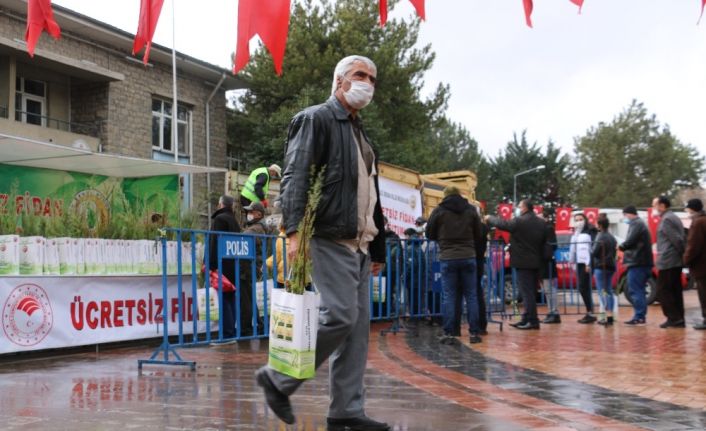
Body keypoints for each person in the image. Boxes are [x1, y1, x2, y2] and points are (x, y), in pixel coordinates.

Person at [255, 55, 389, 431]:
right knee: (340, 316)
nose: (367, 83)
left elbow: (372, 195)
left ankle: (346, 411)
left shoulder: (360, 134)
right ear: (339, 80)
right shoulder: (316, 118)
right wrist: (294, 230)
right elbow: (295, 174)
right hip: (328, 236)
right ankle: (277, 378)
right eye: (360, 75)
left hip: (360, 244)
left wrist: (378, 247)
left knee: (356, 333)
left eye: (372, 79)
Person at [426, 186, 483, 344]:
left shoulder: (439, 210)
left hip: (448, 257)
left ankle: (449, 333)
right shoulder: (471, 210)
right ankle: (474, 333)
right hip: (468, 255)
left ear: (445, 195)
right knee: (471, 296)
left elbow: (429, 233)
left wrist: (441, 238)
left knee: (449, 296)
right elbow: (479, 233)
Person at [486, 199, 547, 330]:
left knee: (527, 293)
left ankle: (532, 321)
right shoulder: (541, 223)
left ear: (524, 208)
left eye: (519, 206)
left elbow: (503, 224)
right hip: (536, 261)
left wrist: (489, 218)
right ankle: (526, 318)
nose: (517, 209)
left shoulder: (520, 221)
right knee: (531, 291)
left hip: (523, 262)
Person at [209, 195, 241, 339]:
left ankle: (227, 334)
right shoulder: (234, 221)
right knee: (230, 297)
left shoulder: (219, 219)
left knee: (223, 298)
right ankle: (231, 331)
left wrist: (211, 264)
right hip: (233, 264)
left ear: (220, 204)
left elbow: (214, 242)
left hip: (221, 264)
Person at [652, 196, 687, 328]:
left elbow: (677, 240)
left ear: (662, 206)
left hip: (669, 261)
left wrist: (680, 254)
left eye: (655, 205)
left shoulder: (667, 219)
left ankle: (674, 318)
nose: (653, 208)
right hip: (673, 260)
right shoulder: (672, 217)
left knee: (663, 290)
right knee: (674, 290)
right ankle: (678, 318)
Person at [618, 205, 654, 325]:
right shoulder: (640, 223)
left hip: (638, 263)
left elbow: (630, 241)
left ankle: (639, 316)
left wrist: (620, 247)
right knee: (639, 290)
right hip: (642, 262)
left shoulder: (636, 224)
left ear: (630, 213)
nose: (624, 217)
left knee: (635, 290)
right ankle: (640, 316)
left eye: (625, 215)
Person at [240, 201, 268, 336]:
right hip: (249, 267)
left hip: (249, 268)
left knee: (247, 299)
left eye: (251, 212)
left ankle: (251, 328)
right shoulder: (255, 227)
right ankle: (260, 325)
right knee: (249, 298)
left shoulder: (256, 229)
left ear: (259, 214)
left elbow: (241, 238)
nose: (248, 214)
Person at [683, 198, 706, 330]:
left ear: (692, 209)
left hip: (701, 266)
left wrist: (686, 260)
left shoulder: (697, 222)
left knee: (703, 293)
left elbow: (693, 245)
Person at [570, 213, 597, 324]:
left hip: (587, 262)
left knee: (583, 287)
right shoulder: (576, 232)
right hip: (579, 262)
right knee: (583, 287)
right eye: (576, 220)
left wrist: (588, 263)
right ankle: (589, 311)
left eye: (581, 219)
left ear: (585, 220)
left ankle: (590, 312)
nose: (579, 222)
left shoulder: (590, 231)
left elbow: (592, 248)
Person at [592, 214, 618, 326]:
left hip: (601, 266)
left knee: (602, 291)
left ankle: (608, 316)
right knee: (609, 291)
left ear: (600, 225)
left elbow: (594, 252)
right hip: (611, 266)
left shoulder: (600, 236)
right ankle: (610, 316)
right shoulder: (612, 237)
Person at [540, 210, 561, 324]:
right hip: (543, 263)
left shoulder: (548, 228)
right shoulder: (543, 229)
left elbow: (552, 245)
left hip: (547, 262)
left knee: (549, 289)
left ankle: (554, 312)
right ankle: (551, 311)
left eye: (540, 218)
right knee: (546, 290)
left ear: (546, 218)